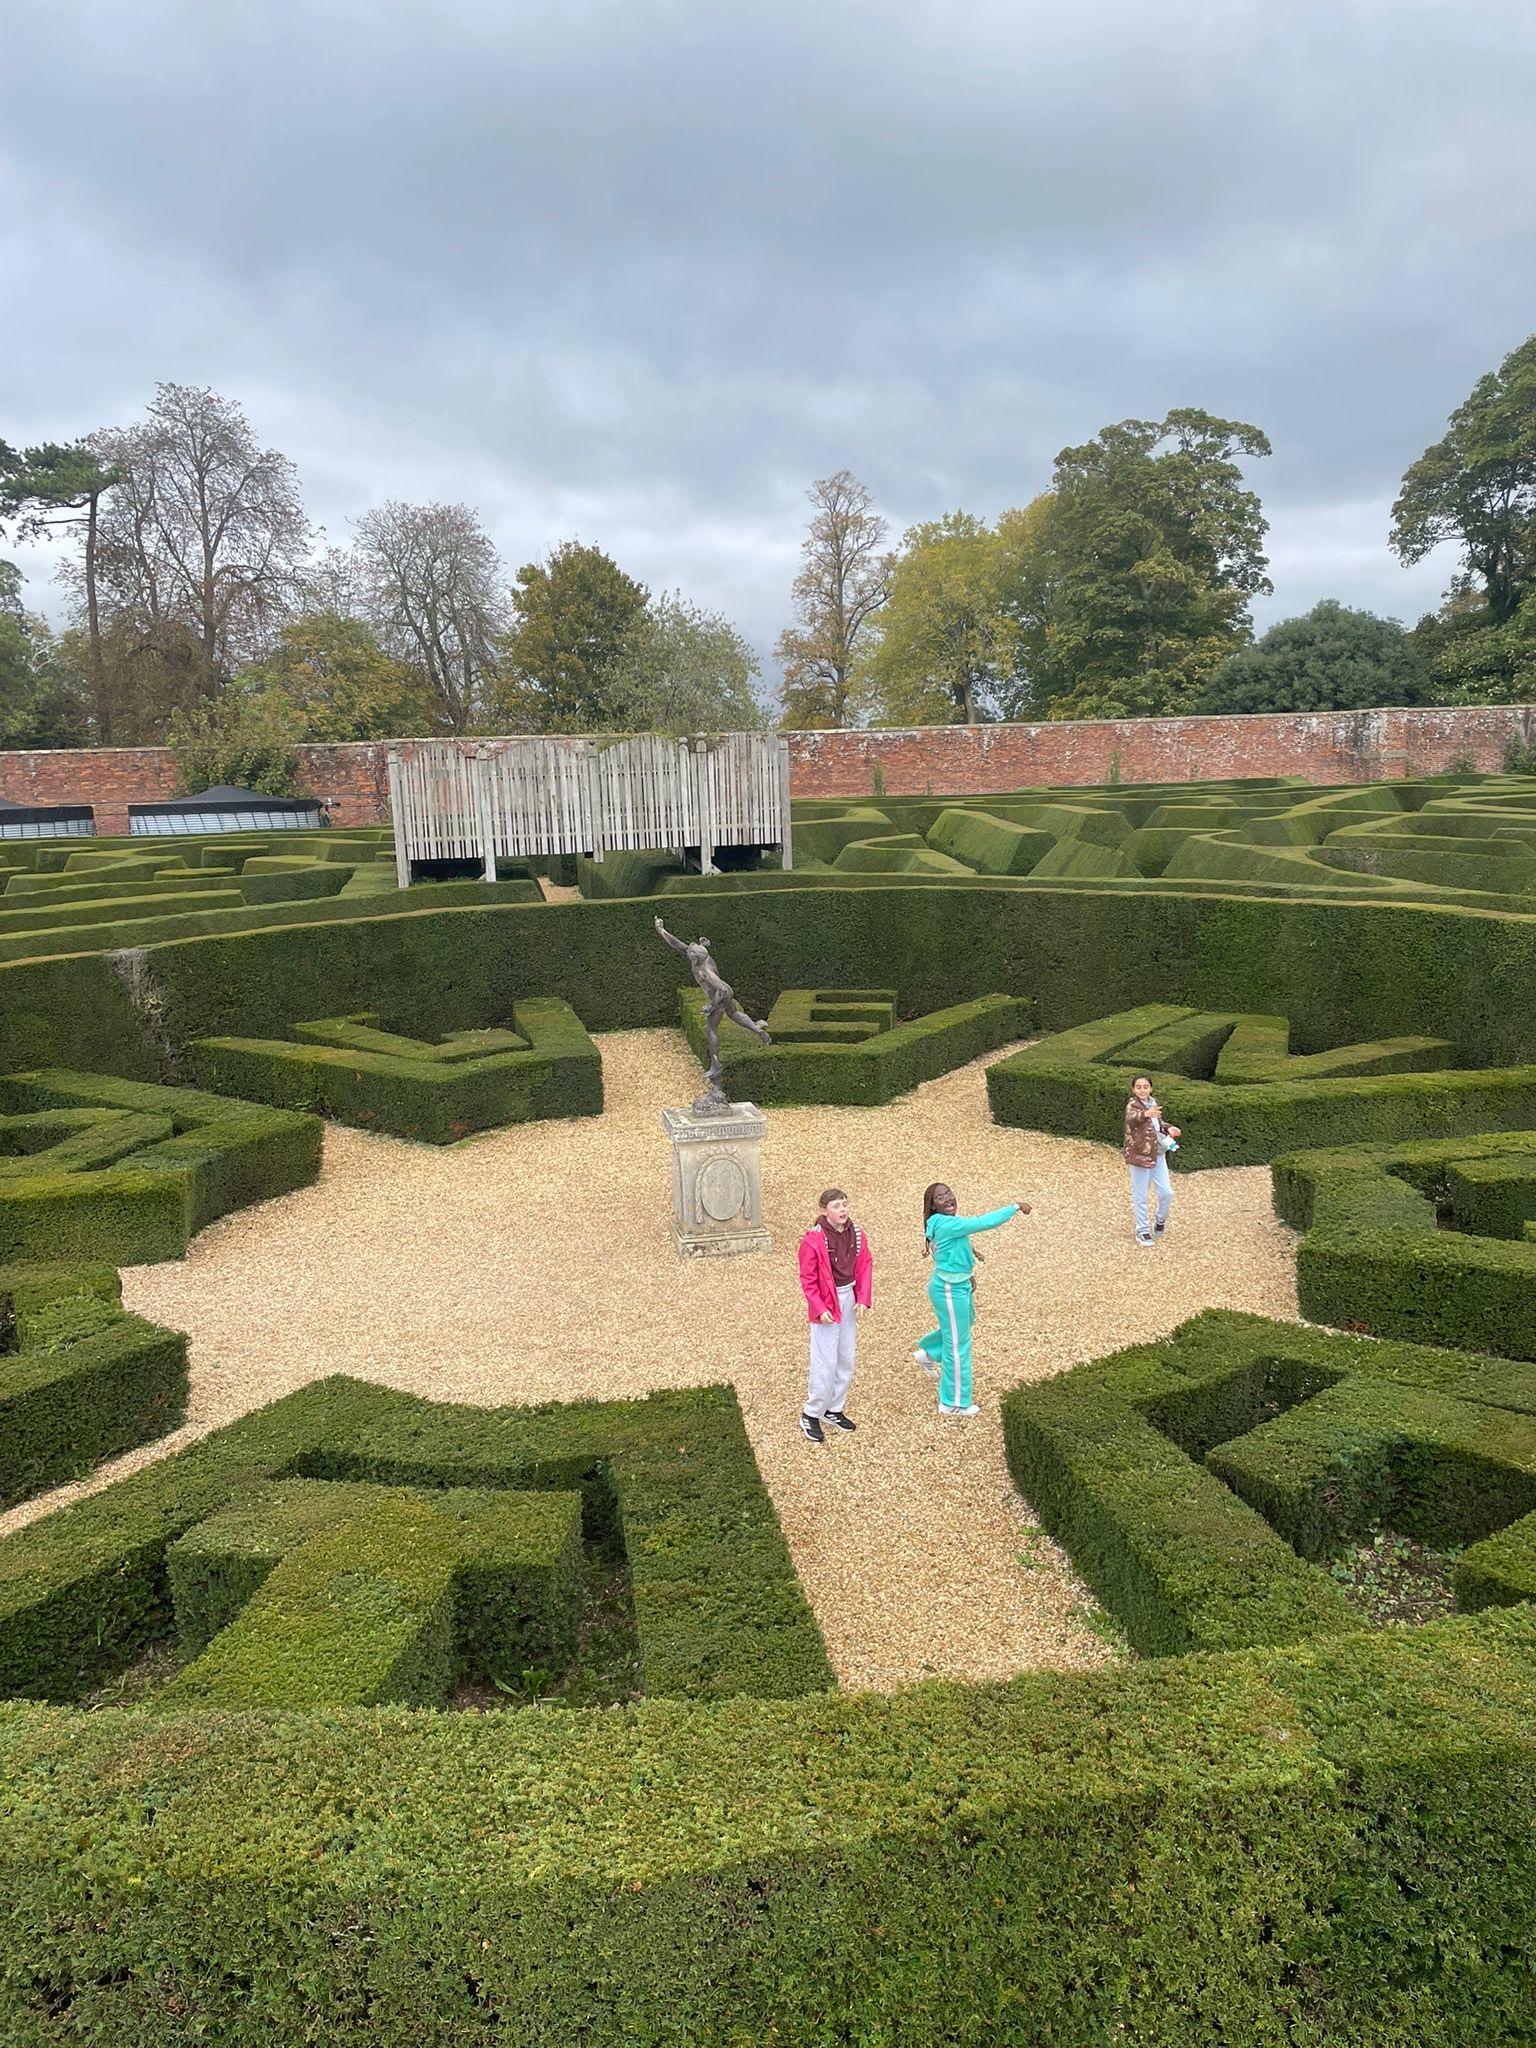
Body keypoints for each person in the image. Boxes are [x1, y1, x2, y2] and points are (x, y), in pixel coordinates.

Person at [912, 1183, 1030, 1418]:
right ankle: (952, 1402)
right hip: (949, 1289)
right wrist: (1015, 1207)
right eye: (940, 1197)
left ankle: (930, 1352)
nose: (947, 1198)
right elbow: (984, 1222)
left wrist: (969, 1274)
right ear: (933, 1206)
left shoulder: (944, 1222)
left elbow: (957, 1250)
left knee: (962, 1328)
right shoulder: (947, 1224)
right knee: (958, 1346)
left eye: (948, 1193)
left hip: (958, 1283)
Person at [797, 1188, 872, 1445]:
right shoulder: (813, 1240)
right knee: (824, 1360)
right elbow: (808, 1280)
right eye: (837, 1206)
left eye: (845, 1204)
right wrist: (820, 1308)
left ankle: (834, 1407)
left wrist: (863, 1297)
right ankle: (811, 1412)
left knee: (846, 1357)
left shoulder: (857, 1234)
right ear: (824, 1210)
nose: (843, 1210)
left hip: (848, 1297)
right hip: (828, 1303)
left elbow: (864, 1265)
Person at [1124, 1074, 1181, 1247]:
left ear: (1151, 1088)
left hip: (1157, 1153)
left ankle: (1160, 1219)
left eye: (1145, 1087)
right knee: (1141, 1194)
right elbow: (1131, 1119)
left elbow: (1158, 1125)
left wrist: (1169, 1128)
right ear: (1133, 1089)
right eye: (1138, 1087)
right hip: (1140, 1155)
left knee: (1166, 1192)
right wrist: (1145, 1114)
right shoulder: (1132, 1106)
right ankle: (1142, 1230)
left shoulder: (1153, 1103)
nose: (1142, 1090)